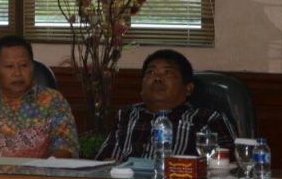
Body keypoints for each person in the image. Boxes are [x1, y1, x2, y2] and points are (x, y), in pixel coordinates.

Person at [95, 49, 236, 161]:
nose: (157, 78)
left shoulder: (207, 119)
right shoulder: (128, 115)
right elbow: (103, 162)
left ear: (188, 88)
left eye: (167, 73)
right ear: (141, 87)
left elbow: (229, 167)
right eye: (151, 72)